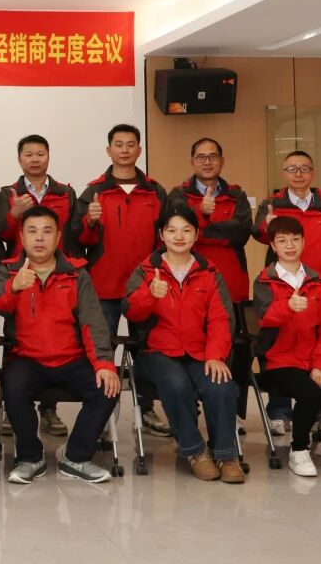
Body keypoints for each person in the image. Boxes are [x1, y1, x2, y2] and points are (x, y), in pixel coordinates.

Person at [0, 206, 119, 484]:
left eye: (47, 231)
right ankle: (30, 458)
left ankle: (75, 457)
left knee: (107, 388)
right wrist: (13, 287)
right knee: (13, 387)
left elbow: (93, 321)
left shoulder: (76, 274)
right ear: (21, 236)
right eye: (32, 231)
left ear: (58, 237)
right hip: (26, 358)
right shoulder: (8, 271)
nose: (39, 238)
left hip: (71, 358)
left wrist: (104, 364)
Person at [123, 205, 245, 484]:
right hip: (156, 352)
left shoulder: (209, 273)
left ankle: (226, 455)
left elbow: (221, 319)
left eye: (186, 230)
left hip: (199, 352)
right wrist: (149, 294)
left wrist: (215, 355)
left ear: (196, 234)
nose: (179, 237)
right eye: (172, 230)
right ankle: (195, 451)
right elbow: (130, 311)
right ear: (161, 235)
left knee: (222, 385)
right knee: (175, 384)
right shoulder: (146, 270)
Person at [69, 124, 170, 436]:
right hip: (104, 285)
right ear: (108, 150)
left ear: (139, 150)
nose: (124, 150)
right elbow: (76, 238)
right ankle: (99, 414)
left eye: (130, 144)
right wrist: (90, 222)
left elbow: (166, 239)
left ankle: (147, 408)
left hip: (145, 286)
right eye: (118, 144)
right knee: (101, 349)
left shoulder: (155, 191)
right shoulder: (93, 191)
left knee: (148, 349)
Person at [254, 216, 321, 478]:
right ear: (273, 246)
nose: (289, 245)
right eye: (282, 241)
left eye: (295, 239)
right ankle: (299, 450)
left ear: (303, 242)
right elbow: (265, 319)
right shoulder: (264, 281)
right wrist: (287, 307)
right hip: (280, 360)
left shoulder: (317, 281)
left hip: (314, 358)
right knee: (310, 393)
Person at [0, 133, 78, 437]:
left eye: (40, 154)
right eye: (28, 154)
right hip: (20, 275)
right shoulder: (8, 193)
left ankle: (49, 410)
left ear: (48, 157)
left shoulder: (66, 192)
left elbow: (74, 235)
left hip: (56, 276)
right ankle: (11, 406)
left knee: (54, 339)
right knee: (16, 340)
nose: (35, 159)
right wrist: (13, 216)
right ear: (19, 159)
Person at [252, 150, 321, 436]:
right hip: (281, 286)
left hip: (317, 287)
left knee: (320, 343)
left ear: (313, 173)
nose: (298, 174)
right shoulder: (272, 204)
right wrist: (266, 225)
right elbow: (259, 234)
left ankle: (318, 412)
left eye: (304, 168)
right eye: (292, 169)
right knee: (280, 343)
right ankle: (279, 412)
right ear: (284, 174)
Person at [166, 138, 253, 419]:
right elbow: (179, 232)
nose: (207, 162)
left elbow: (241, 233)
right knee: (189, 349)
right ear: (192, 162)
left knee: (233, 350)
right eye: (201, 157)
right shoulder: (178, 194)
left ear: (222, 161)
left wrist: (203, 227)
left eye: (213, 156)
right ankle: (189, 408)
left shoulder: (237, 195)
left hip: (232, 285)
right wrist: (203, 218)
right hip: (189, 286)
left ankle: (231, 412)